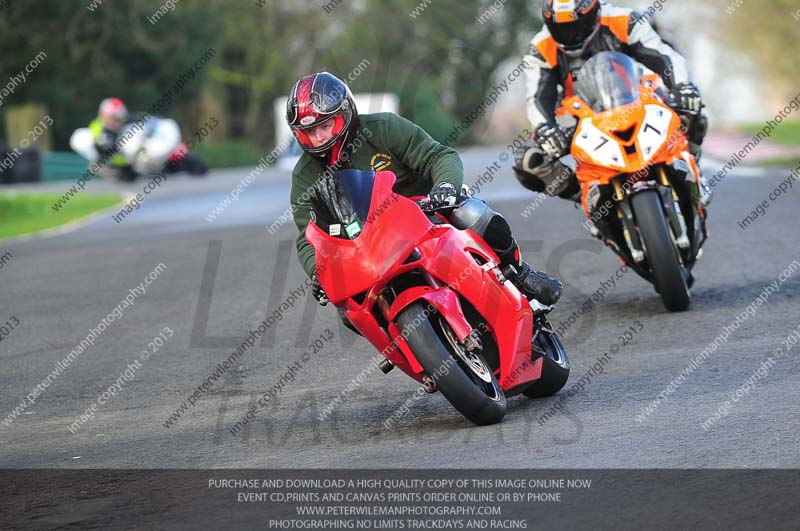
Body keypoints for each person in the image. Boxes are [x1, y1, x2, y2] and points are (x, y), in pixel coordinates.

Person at [288, 72, 563, 308]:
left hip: (428, 213)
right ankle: (405, 346)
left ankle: (518, 274)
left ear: (344, 113)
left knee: (471, 213)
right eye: (309, 132)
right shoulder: (304, 175)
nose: (319, 137)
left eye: (325, 126)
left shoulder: (384, 128)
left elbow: (439, 156)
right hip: (368, 247)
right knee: (347, 305)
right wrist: (318, 272)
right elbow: (308, 237)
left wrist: (445, 188)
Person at [513, 0, 709, 203]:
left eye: (577, 26)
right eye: (560, 29)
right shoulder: (540, 47)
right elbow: (537, 96)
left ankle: (694, 169)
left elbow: (663, 56)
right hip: (583, 119)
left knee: (691, 111)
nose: (571, 35)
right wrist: (545, 128)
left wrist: (682, 86)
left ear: (595, 13)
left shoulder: (624, 20)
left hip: (639, 101)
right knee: (529, 161)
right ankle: (586, 195)